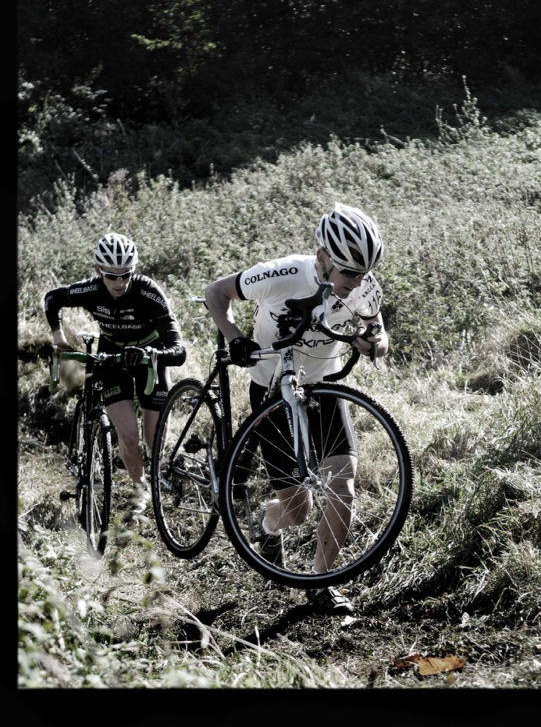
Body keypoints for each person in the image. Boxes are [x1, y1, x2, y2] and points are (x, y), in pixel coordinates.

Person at [205, 203, 388, 613]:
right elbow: (215, 292)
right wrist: (234, 336)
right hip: (271, 390)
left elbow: (378, 330)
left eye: (363, 274)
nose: (357, 283)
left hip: (322, 386)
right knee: (297, 509)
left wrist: (374, 343)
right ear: (323, 258)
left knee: (343, 486)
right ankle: (269, 527)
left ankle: (322, 584)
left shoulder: (365, 287)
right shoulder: (283, 273)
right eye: (349, 273)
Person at [44, 232, 186, 514]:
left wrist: (164, 353)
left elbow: (177, 345)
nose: (119, 283)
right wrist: (58, 337)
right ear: (98, 270)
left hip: (150, 357)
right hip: (112, 357)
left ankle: (163, 466)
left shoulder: (148, 292)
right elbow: (52, 299)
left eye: (126, 275)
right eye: (111, 276)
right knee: (130, 438)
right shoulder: (91, 290)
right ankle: (140, 486)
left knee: (152, 438)